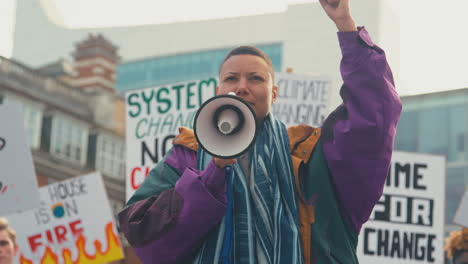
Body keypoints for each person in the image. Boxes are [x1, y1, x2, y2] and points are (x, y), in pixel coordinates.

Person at [118, 0, 402, 263]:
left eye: (255, 78)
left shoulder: (309, 154)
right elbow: (141, 234)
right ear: (218, 92)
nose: (242, 86)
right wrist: (211, 176)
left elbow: (374, 117)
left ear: (274, 93)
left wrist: (346, 25)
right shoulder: (186, 155)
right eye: (231, 78)